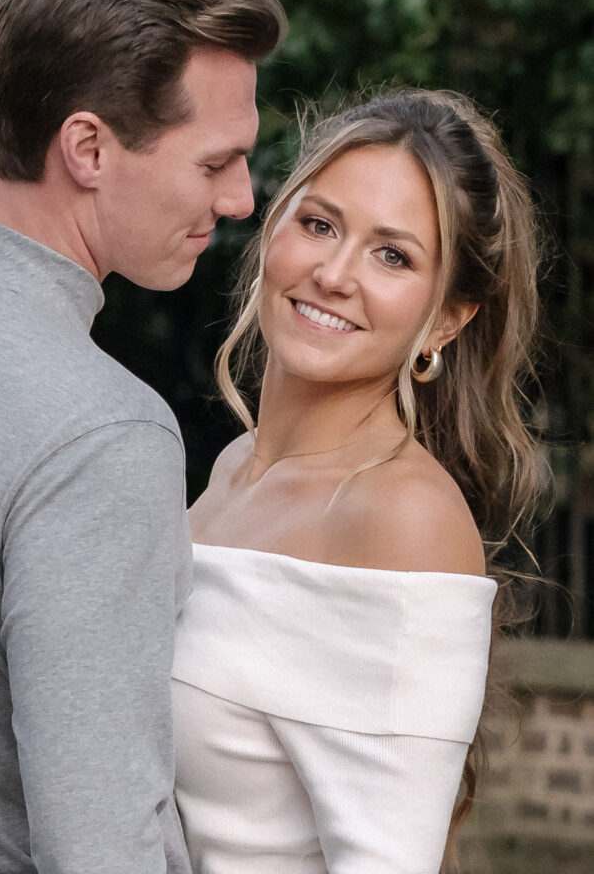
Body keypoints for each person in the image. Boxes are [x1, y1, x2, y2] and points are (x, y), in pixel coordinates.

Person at [0, 0, 284, 874]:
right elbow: (101, 845)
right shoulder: (103, 436)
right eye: (214, 161)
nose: (241, 199)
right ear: (88, 149)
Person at [172, 89, 542, 872]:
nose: (334, 274)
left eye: (392, 256)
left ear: (446, 318)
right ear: (273, 229)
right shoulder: (235, 469)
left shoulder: (403, 517)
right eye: (319, 224)